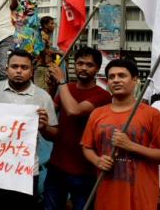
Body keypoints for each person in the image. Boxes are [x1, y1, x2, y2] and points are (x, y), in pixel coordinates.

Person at [81, 59, 160, 210]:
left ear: (135, 80)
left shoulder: (153, 115)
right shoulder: (97, 114)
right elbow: (86, 147)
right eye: (111, 77)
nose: (116, 80)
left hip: (140, 200)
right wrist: (97, 161)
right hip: (106, 197)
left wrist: (131, 146)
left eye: (122, 76)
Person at [0, 49, 58, 209]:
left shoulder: (43, 97)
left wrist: (44, 127)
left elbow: (54, 135)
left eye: (24, 67)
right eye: (15, 66)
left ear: (31, 70)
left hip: (24, 172)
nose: (19, 71)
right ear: (7, 68)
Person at [43, 47, 111, 210]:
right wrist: (51, 89)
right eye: (80, 63)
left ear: (97, 68)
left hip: (84, 171)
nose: (83, 68)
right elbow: (49, 114)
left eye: (89, 65)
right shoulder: (68, 89)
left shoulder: (103, 95)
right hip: (56, 166)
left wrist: (61, 82)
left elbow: (74, 111)